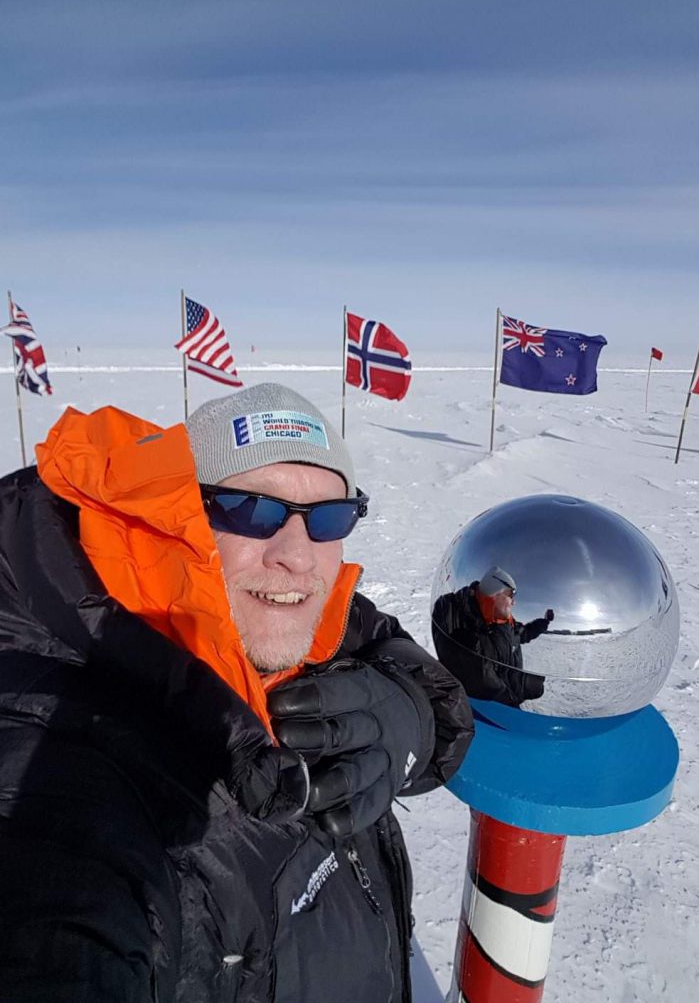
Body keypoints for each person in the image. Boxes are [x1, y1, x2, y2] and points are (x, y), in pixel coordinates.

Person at [0, 382, 473, 1003]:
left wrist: (414, 714)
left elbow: (408, 671)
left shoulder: (320, 628)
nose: (297, 558)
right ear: (183, 519)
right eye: (253, 510)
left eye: (329, 517)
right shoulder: (68, 760)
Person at [431, 565, 554, 707]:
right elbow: (482, 680)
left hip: (506, 705)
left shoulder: (505, 623)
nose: (514, 602)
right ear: (494, 592)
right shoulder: (459, 620)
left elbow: (524, 633)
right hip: (481, 710)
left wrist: (545, 622)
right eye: (511, 595)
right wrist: (521, 686)